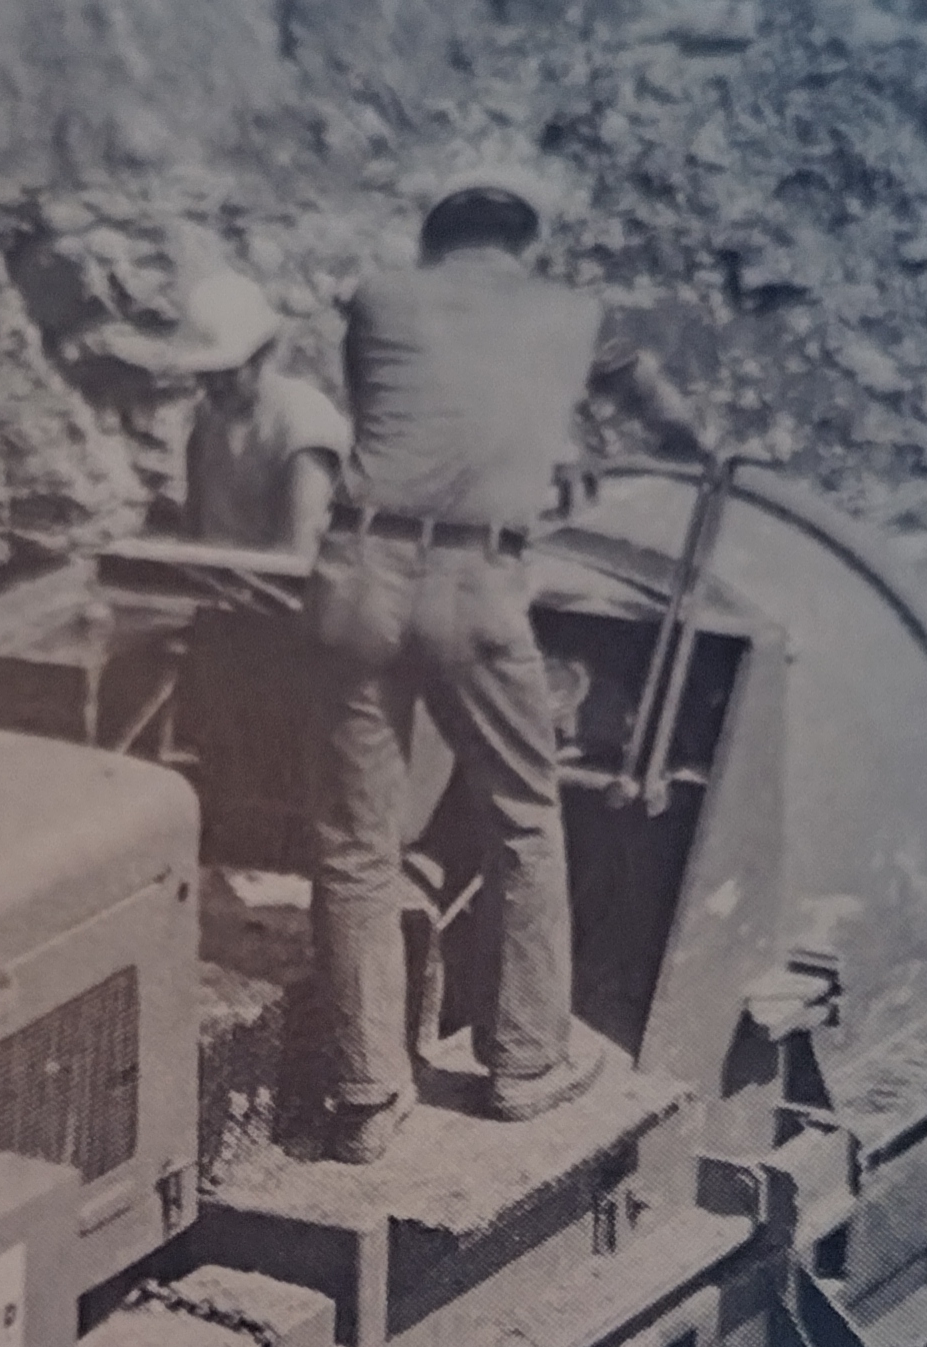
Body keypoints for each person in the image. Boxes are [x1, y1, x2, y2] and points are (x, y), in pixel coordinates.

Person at [306, 164, 710, 1163]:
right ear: (523, 244)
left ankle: (364, 1096)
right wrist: (695, 446)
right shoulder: (571, 313)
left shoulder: (378, 296)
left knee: (355, 843)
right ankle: (523, 1065)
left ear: (434, 240)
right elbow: (644, 400)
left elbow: (395, 408)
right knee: (524, 816)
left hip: (356, 575)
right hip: (475, 584)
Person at [163, 269, 349, 559]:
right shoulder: (207, 421)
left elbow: (299, 554)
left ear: (262, 355)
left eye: (229, 371)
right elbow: (194, 531)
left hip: (282, 583)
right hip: (217, 578)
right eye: (205, 373)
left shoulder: (303, 425)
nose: (215, 385)